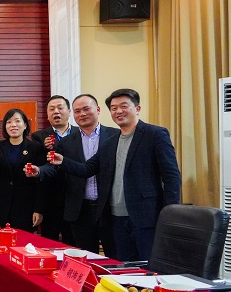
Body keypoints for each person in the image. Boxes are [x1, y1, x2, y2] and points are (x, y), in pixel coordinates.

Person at [50, 88, 181, 260]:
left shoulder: (155, 134)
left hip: (146, 217)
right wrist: (63, 161)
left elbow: (171, 176)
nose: (118, 111)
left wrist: (169, 214)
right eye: (113, 108)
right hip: (116, 219)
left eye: (124, 106)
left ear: (137, 108)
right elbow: (88, 169)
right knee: (123, 267)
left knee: (148, 267)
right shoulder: (110, 142)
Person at [37, 94, 119, 255]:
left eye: (86, 109)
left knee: (114, 257)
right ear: (72, 114)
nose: (82, 114)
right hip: (80, 209)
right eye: (77, 111)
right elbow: (56, 168)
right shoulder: (67, 142)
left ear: (98, 109)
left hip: (109, 208)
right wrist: (39, 171)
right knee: (84, 257)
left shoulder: (115, 136)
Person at [0, 109, 46, 232]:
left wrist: (39, 209)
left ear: (25, 125)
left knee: (25, 241)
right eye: (9, 122)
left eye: (17, 121)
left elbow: (41, 181)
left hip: (27, 206)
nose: (13, 125)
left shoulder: (35, 148)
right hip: (4, 205)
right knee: (5, 239)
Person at [30, 95, 74, 244]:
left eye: (60, 108)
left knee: (73, 243)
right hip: (50, 200)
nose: (56, 112)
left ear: (69, 111)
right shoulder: (39, 137)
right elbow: (41, 167)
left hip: (74, 198)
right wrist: (44, 148)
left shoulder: (79, 133)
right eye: (52, 109)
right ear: (47, 115)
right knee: (49, 244)